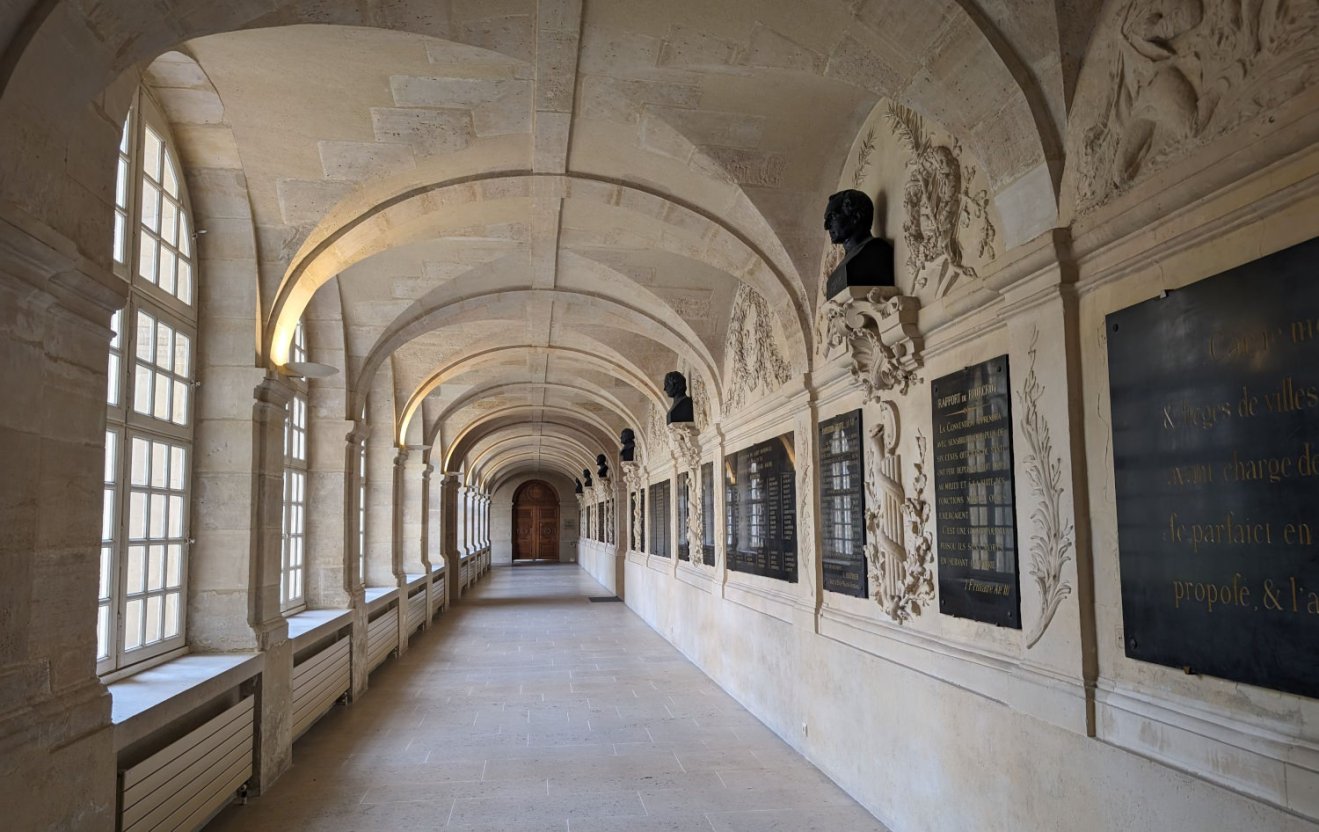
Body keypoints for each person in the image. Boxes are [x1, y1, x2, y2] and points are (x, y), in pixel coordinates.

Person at [823, 189, 894, 299]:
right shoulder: (845, 263)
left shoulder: (875, 250)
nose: (827, 226)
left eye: (832, 217)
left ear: (856, 217)